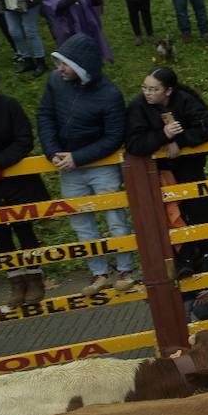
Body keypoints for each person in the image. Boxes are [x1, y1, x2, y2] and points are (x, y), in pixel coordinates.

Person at [35, 34, 135, 297]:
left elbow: (114, 136)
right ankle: (98, 273)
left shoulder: (110, 94)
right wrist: (52, 151)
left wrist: (78, 157)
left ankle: (126, 269)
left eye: (64, 64)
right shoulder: (55, 82)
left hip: (101, 166)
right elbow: (44, 115)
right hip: (68, 169)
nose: (59, 69)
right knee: (81, 223)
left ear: (80, 66)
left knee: (115, 219)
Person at [125, 67, 208, 276]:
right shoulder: (137, 106)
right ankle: (183, 258)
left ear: (168, 91)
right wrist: (162, 135)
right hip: (160, 172)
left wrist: (181, 141)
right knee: (172, 214)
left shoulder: (186, 99)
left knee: (199, 208)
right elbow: (134, 144)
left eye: (154, 89)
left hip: (190, 165)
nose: (148, 93)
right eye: (145, 88)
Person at [0, 62, 49, 306]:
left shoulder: (8, 105)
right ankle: (15, 281)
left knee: (24, 227)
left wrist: (0, 163)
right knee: (0, 233)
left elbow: (24, 138)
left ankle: (35, 278)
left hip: (16, 180)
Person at [41, 0, 111, 61]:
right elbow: (56, 6)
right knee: (73, 57)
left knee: (90, 55)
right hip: (68, 32)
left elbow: (97, 3)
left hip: (86, 29)